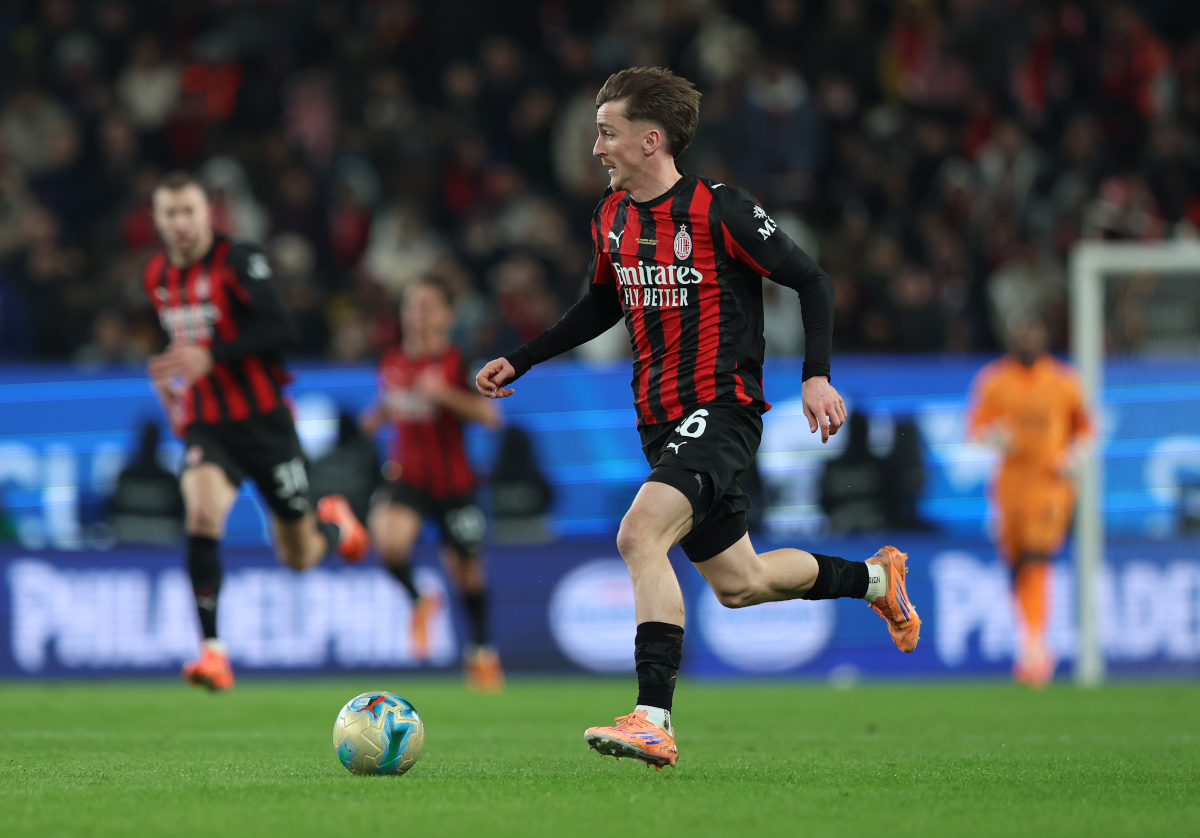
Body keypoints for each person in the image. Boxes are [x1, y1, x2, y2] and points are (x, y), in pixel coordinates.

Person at [475, 67, 920, 769]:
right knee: (741, 582)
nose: (596, 149)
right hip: (658, 420)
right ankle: (874, 579)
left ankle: (654, 718)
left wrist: (816, 376)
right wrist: (522, 358)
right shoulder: (611, 216)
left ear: (650, 140)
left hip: (722, 410)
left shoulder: (722, 211)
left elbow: (812, 279)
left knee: (639, 531)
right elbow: (602, 303)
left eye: (607, 133)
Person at [141, 171, 369, 692]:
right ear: (157, 219)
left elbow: (281, 329)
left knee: (300, 555)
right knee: (200, 514)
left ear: (207, 214)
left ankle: (337, 524)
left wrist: (211, 355)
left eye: (189, 212)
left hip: (266, 424)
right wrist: (171, 381)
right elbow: (180, 340)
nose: (180, 223)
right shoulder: (156, 275)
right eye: (169, 213)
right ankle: (213, 653)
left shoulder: (239, 260)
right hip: (208, 424)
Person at [361, 277, 505, 692]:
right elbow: (391, 406)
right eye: (412, 305)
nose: (418, 314)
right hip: (407, 476)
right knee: (388, 542)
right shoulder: (392, 362)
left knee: (466, 573)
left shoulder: (459, 363)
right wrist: (374, 419)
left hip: (454, 482)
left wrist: (445, 394)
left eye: (427, 306)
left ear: (446, 315)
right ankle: (420, 599)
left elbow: (492, 418)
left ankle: (481, 653)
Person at [968, 316, 1092, 688]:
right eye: (1021, 333)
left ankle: (1034, 648)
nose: (1028, 339)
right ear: (1012, 338)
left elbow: (1084, 428)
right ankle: (1032, 640)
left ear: (1044, 336)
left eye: (1034, 331)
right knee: (1017, 565)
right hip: (1010, 487)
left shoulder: (1063, 380)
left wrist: (1075, 456)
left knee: (1037, 558)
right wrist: (995, 438)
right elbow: (976, 429)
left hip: (1050, 485)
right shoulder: (994, 380)